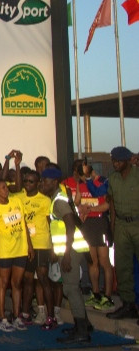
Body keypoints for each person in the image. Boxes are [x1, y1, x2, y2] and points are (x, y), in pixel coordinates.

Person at [43, 167, 91, 344]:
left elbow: (70, 225)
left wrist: (68, 254)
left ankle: (82, 332)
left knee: (71, 288)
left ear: (54, 182)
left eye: (45, 181)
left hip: (70, 250)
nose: (42, 184)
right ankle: (84, 325)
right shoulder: (58, 197)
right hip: (69, 249)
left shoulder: (58, 201)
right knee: (72, 287)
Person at [0, 178, 33, 332]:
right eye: (2, 188)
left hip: (20, 248)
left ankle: (16, 315)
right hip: (5, 250)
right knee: (3, 282)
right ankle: (2, 318)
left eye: (6, 187)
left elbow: (24, 224)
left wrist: (30, 245)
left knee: (17, 283)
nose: (6, 190)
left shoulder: (17, 202)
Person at [18, 169, 55, 329]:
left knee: (42, 278)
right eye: (26, 181)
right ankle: (25, 314)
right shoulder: (19, 198)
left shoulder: (45, 200)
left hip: (40, 243)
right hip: (25, 244)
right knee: (27, 279)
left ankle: (51, 316)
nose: (27, 184)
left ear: (38, 183)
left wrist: (53, 246)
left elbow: (51, 223)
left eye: (31, 181)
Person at [105, 146, 139, 320]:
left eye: (118, 161)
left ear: (127, 161)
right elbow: (111, 206)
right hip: (121, 225)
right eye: (113, 160)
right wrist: (112, 230)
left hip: (137, 222)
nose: (115, 164)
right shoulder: (113, 179)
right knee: (122, 267)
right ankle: (128, 305)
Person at [77, 162, 114, 311]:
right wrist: (81, 207)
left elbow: (106, 205)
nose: (82, 176)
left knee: (104, 261)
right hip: (87, 225)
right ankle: (96, 293)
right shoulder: (81, 183)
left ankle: (108, 296)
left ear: (89, 171)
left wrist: (91, 208)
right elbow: (77, 201)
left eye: (84, 172)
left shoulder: (102, 181)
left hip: (100, 223)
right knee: (92, 262)